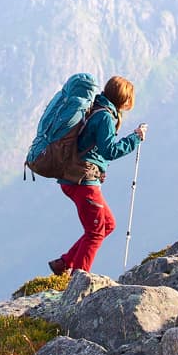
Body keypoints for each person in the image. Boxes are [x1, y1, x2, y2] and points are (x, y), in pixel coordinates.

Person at [49, 76, 147, 275]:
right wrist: (135, 138)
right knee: (95, 232)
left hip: (74, 179)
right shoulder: (105, 117)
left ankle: (64, 263)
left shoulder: (96, 108)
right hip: (83, 182)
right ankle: (78, 281)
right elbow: (109, 150)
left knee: (108, 224)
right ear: (124, 100)